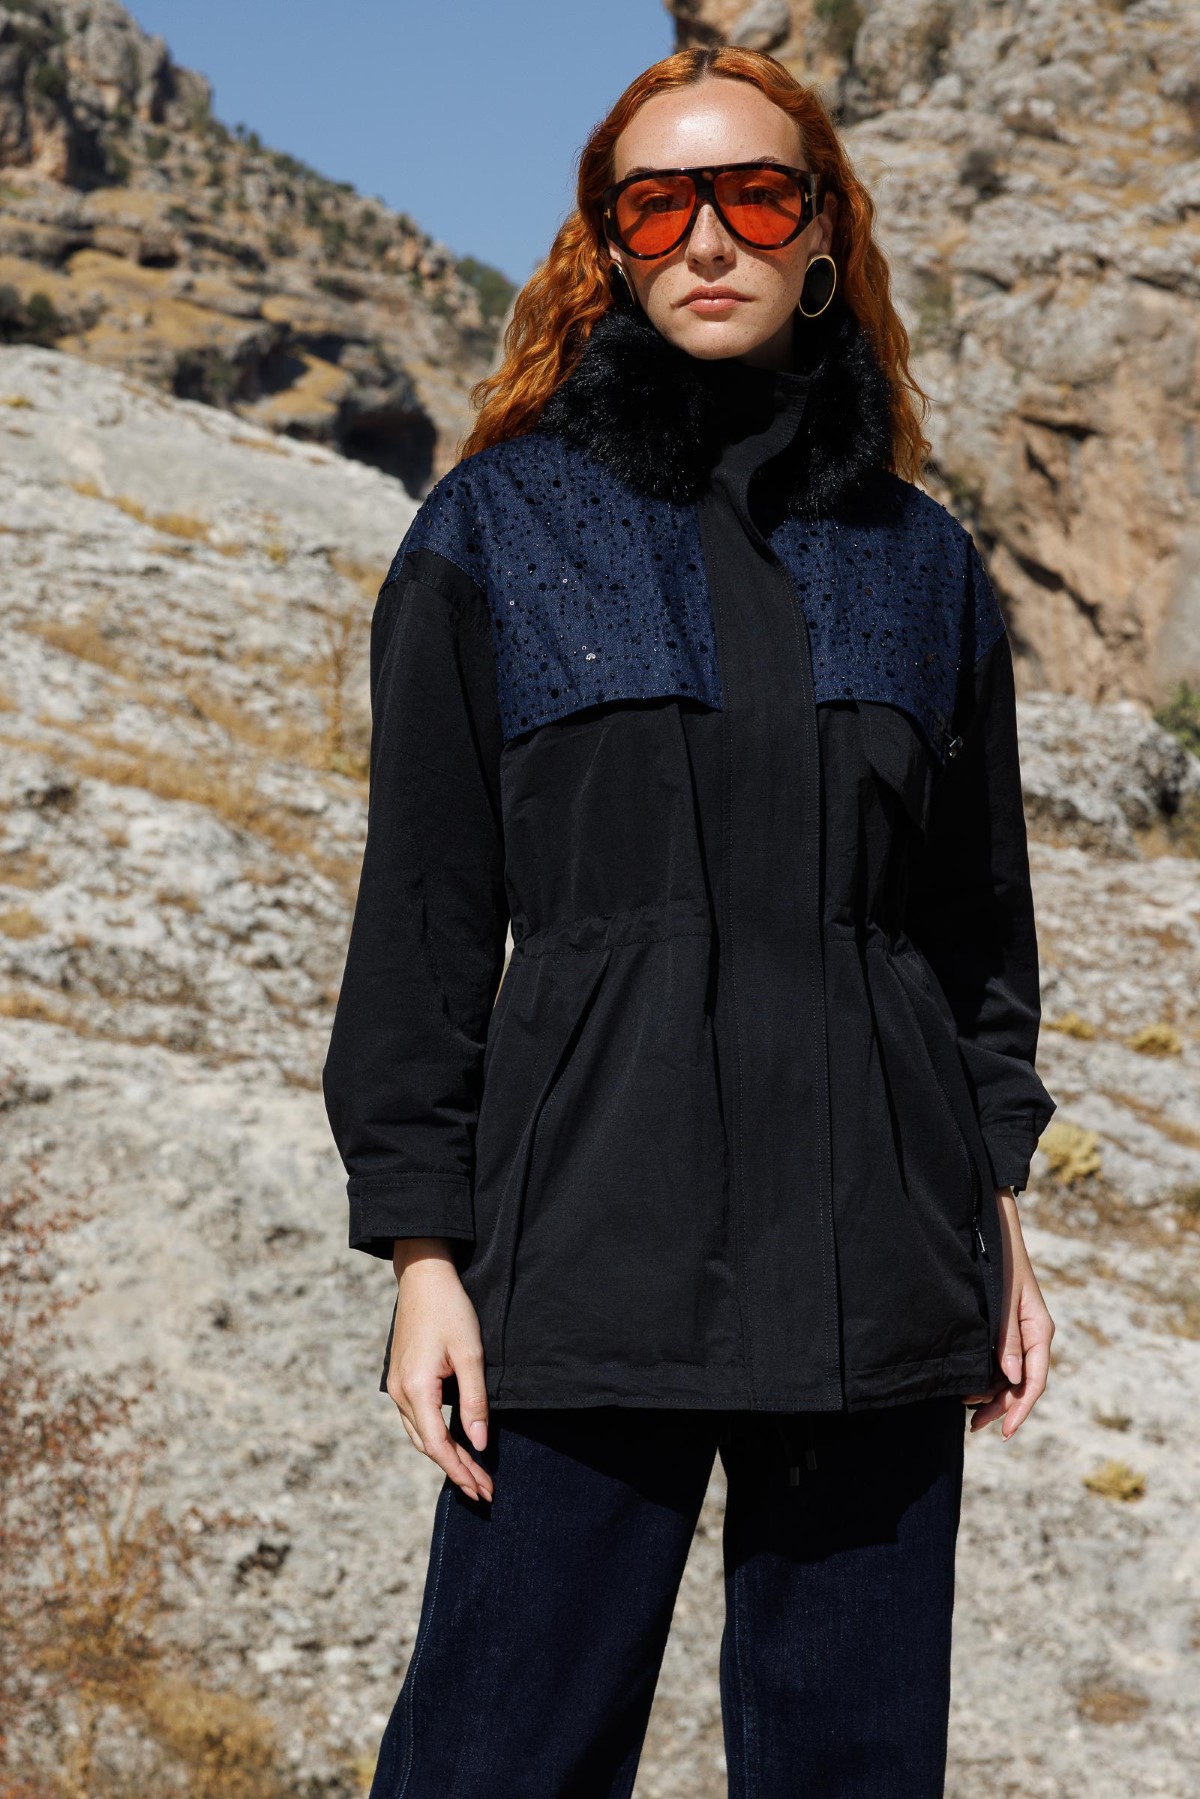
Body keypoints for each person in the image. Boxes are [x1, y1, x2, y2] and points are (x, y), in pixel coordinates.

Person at [321, 43, 1059, 1799]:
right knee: (495, 1763)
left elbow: (974, 934)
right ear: (611, 245)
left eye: (756, 195)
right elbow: (424, 920)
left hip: (879, 1267)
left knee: (854, 1772)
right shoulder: (496, 532)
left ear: (822, 237)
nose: (708, 238)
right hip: (587, 1260)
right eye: (658, 205)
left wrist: (999, 1217)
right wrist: (424, 1258)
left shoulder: (923, 562)